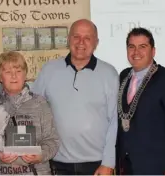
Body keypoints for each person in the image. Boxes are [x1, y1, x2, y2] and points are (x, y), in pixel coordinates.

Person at [32, 19, 119, 175]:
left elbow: (115, 122)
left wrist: (108, 162)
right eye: (76, 36)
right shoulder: (49, 70)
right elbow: (32, 110)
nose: (81, 42)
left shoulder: (109, 74)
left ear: (96, 42)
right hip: (56, 164)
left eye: (87, 38)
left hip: (97, 165)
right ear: (68, 39)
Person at [116, 27, 165, 175]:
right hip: (127, 166)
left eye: (143, 47)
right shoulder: (123, 76)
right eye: (132, 47)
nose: (136, 52)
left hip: (158, 167)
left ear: (153, 51)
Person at [0, 51, 59, 175]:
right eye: (8, 72)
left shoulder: (40, 104)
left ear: (25, 74)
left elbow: (52, 141)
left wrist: (40, 155)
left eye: (18, 71)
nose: (14, 76)